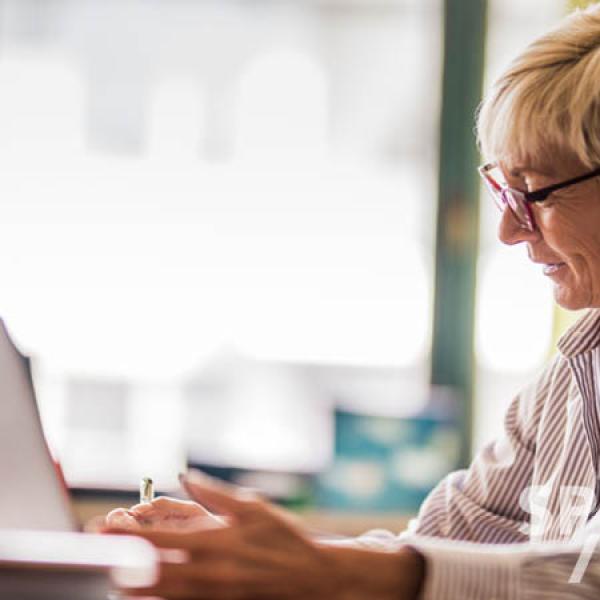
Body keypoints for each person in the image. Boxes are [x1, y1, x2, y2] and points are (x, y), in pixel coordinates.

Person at [106, 4, 600, 598]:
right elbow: (447, 540)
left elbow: (585, 580)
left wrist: (326, 571)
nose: (509, 232)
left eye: (533, 192)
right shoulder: (570, 381)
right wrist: (259, 554)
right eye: (504, 191)